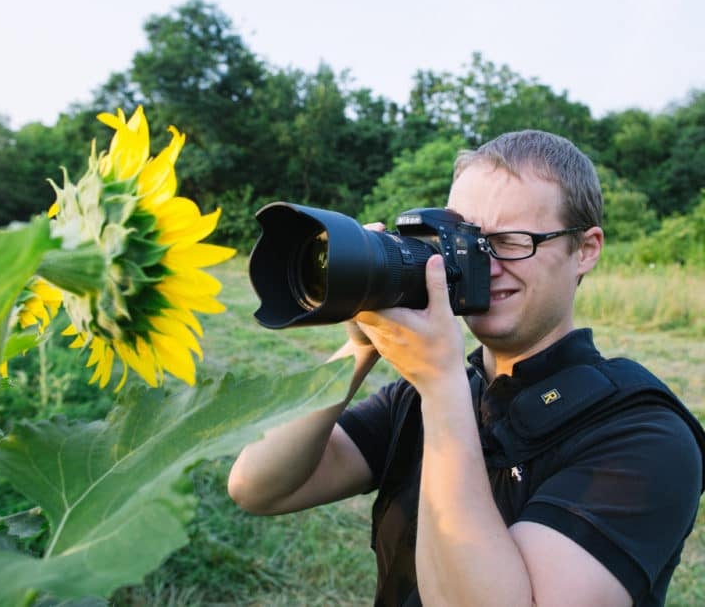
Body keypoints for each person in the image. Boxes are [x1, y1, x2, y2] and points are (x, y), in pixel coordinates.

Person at [228, 129, 705, 606]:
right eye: (465, 240)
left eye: (512, 241)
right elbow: (258, 487)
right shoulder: (424, 398)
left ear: (585, 249)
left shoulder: (646, 436)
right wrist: (359, 346)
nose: (483, 264)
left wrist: (441, 387)